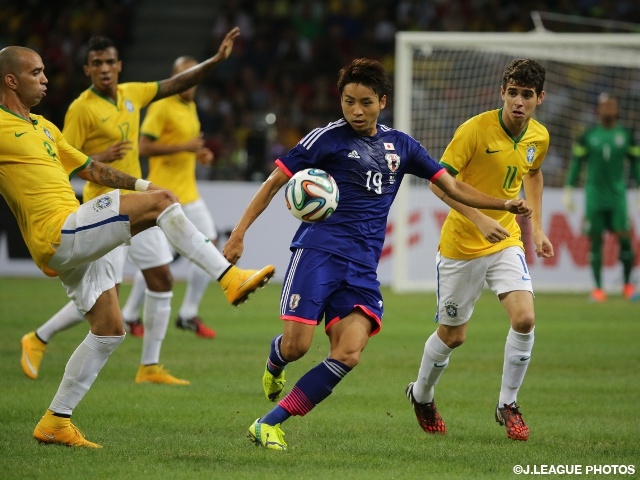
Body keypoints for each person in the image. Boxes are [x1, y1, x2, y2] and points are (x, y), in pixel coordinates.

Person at [222, 58, 533, 451]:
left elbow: (451, 186)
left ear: (382, 101)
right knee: (297, 346)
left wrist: (501, 205)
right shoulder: (325, 139)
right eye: (348, 101)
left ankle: (269, 423)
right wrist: (238, 233)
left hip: (362, 267)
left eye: (365, 102)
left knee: (349, 353)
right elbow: (273, 183)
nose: (356, 110)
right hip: (318, 253)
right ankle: (276, 359)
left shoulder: (401, 145)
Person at [0, 45, 274, 447]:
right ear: (11, 80)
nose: (45, 79)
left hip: (73, 229)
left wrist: (146, 186)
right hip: (60, 230)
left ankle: (55, 421)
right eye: (36, 73)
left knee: (109, 330)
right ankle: (228, 277)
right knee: (164, 207)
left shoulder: (43, 126)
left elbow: (91, 168)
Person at [19, 29, 245, 384]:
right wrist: (98, 158)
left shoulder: (132, 94)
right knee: (106, 297)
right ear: (87, 70)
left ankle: (150, 366)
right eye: (97, 64)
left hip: (138, 206)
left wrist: (215, 62)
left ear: (119, 65)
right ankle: (38, 337)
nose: (105, 69)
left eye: (110, 62)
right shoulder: (81, 109)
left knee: (162, 278)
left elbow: (175, 83)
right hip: (101, 209)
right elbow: (59, 160)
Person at [406, 58, 554, 443]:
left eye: (527, 95)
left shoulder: (539, 137)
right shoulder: (474, 130)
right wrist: (481, 218)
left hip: (505, 239)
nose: (518, 102)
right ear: (502, 92)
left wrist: (536, 227)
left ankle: (508, 404)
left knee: (524, 319)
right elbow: (439, 185)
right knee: (453, 336)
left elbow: (533, 174)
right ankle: (421, 395)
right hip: (461, 245)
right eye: (513, 93)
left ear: (540, 98)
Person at [119, 55, 218, 339]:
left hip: (189, 193)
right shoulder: (162, 106)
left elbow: (186, 147)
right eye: (183, 76)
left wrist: (199, 153)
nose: (189, 82)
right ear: (175, 79)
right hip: (163, 195)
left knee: (210, 246)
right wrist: (184, 146)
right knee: (157, 260)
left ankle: (188, 313)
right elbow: (143, 147)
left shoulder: (191, 107)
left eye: (194, 75)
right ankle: (129, 314)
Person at [562, 93, 640, 302]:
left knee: (625, 241)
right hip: (594, 197)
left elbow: (635, 163)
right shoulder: (588, 136)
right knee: (595, 242)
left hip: (617, 197)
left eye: (611, 105)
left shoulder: (626, 135)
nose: (608, 109)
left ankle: (627, 286)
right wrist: (569, 187)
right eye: (604, 106)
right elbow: (577, 163)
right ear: (598, 109)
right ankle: (598, 289)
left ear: (617, 109)